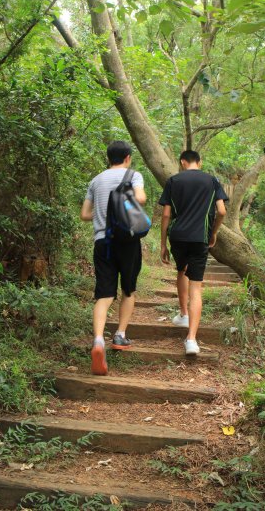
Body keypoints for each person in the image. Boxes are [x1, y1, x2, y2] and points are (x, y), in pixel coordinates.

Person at [81, 140, 147, 375]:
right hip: (127, 240)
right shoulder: (133, 175)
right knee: (128, 289)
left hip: (102, 242)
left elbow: (84, 214)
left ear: (108, 157)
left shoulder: (95, 180)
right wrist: (123, 204)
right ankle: (120, 335)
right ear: (128, 157)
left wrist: (104, 214)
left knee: (104, 292)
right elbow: (140, 199)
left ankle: (98, 340)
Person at [159, 150, 228, 355]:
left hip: (178, 236)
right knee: (196, 287)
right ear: (200, 162)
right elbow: (222, 211)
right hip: (200, 238)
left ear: (182, 162)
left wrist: (163, 243)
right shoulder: (212, 180)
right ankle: (191, 340)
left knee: (181, 271)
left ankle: (183, 314)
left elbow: (165, 215)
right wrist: (213, 233)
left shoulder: (174, 180)